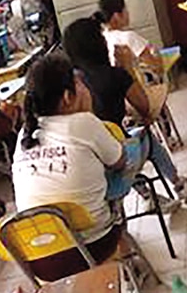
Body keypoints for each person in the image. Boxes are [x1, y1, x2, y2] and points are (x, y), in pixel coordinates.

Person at [10, 54, 132, 280]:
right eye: (79, 83)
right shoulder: (84, 123)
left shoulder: (24, 135)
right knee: (119, 186)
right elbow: (120, 161)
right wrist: (88, 113)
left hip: (40, 260)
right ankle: (129, 265)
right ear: (68, 97)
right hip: (92, 248)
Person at [62, 18, 187, 211]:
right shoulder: (114, 76)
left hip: (85, 170)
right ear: (98, 44)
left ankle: (147, 194)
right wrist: (127, 68)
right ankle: (177, 183)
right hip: (114, 166)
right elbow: (145, 107)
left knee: (120, 141)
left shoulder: (70, 85)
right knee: (142, 136)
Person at [94, 0, 163, 76]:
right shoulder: (128, 37)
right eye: (125, 10)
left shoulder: (102, 38)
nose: (128, 13)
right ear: (117, 15)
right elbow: (155, 67)